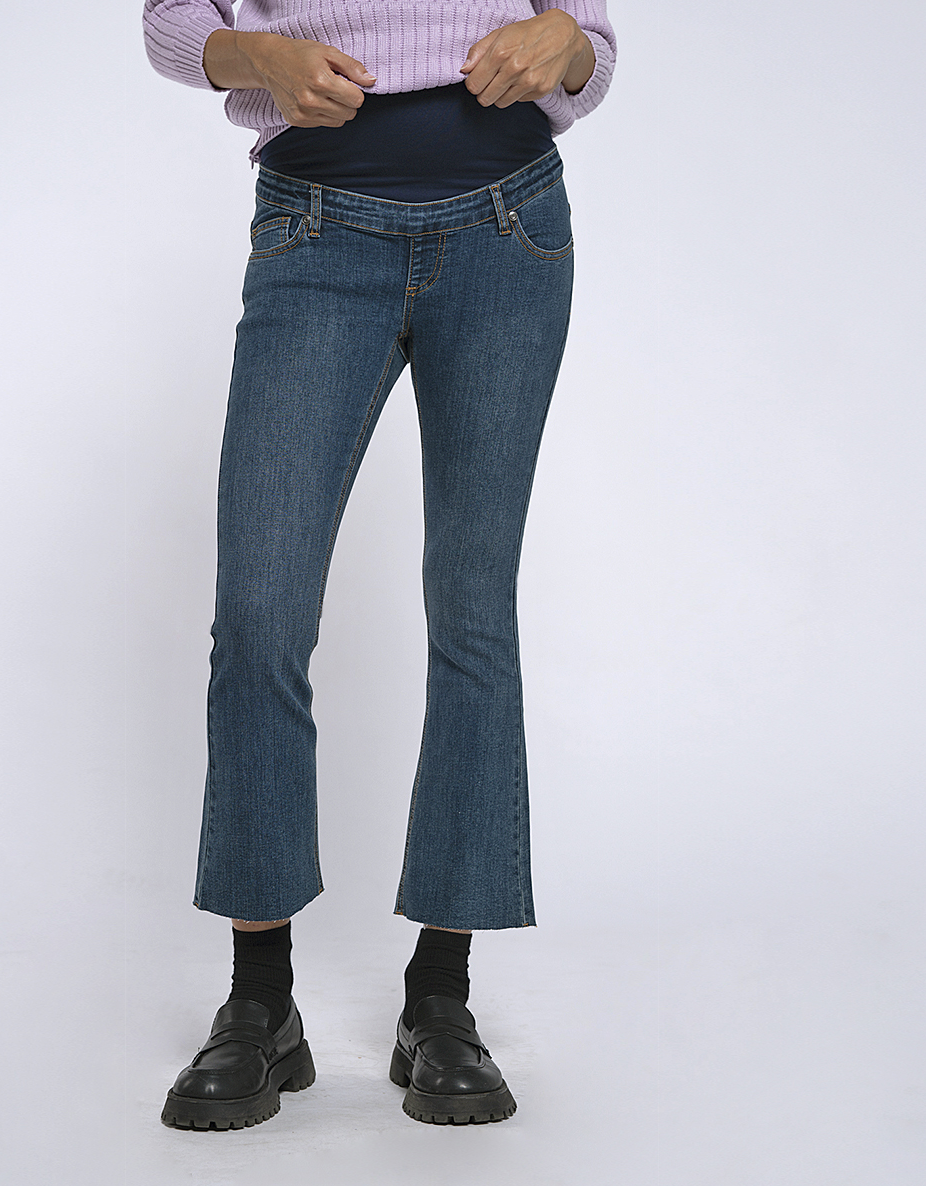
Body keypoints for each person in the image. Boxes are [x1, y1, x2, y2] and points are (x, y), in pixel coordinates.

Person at [142, 0, 616, 1129]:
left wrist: (566, 43)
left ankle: (440, 998)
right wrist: (256, 55)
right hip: (317, 231)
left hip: (508, 230)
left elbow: (591, 51)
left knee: (473, 613)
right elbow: (171, 21)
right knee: (259, 614)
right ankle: (261, 1003)